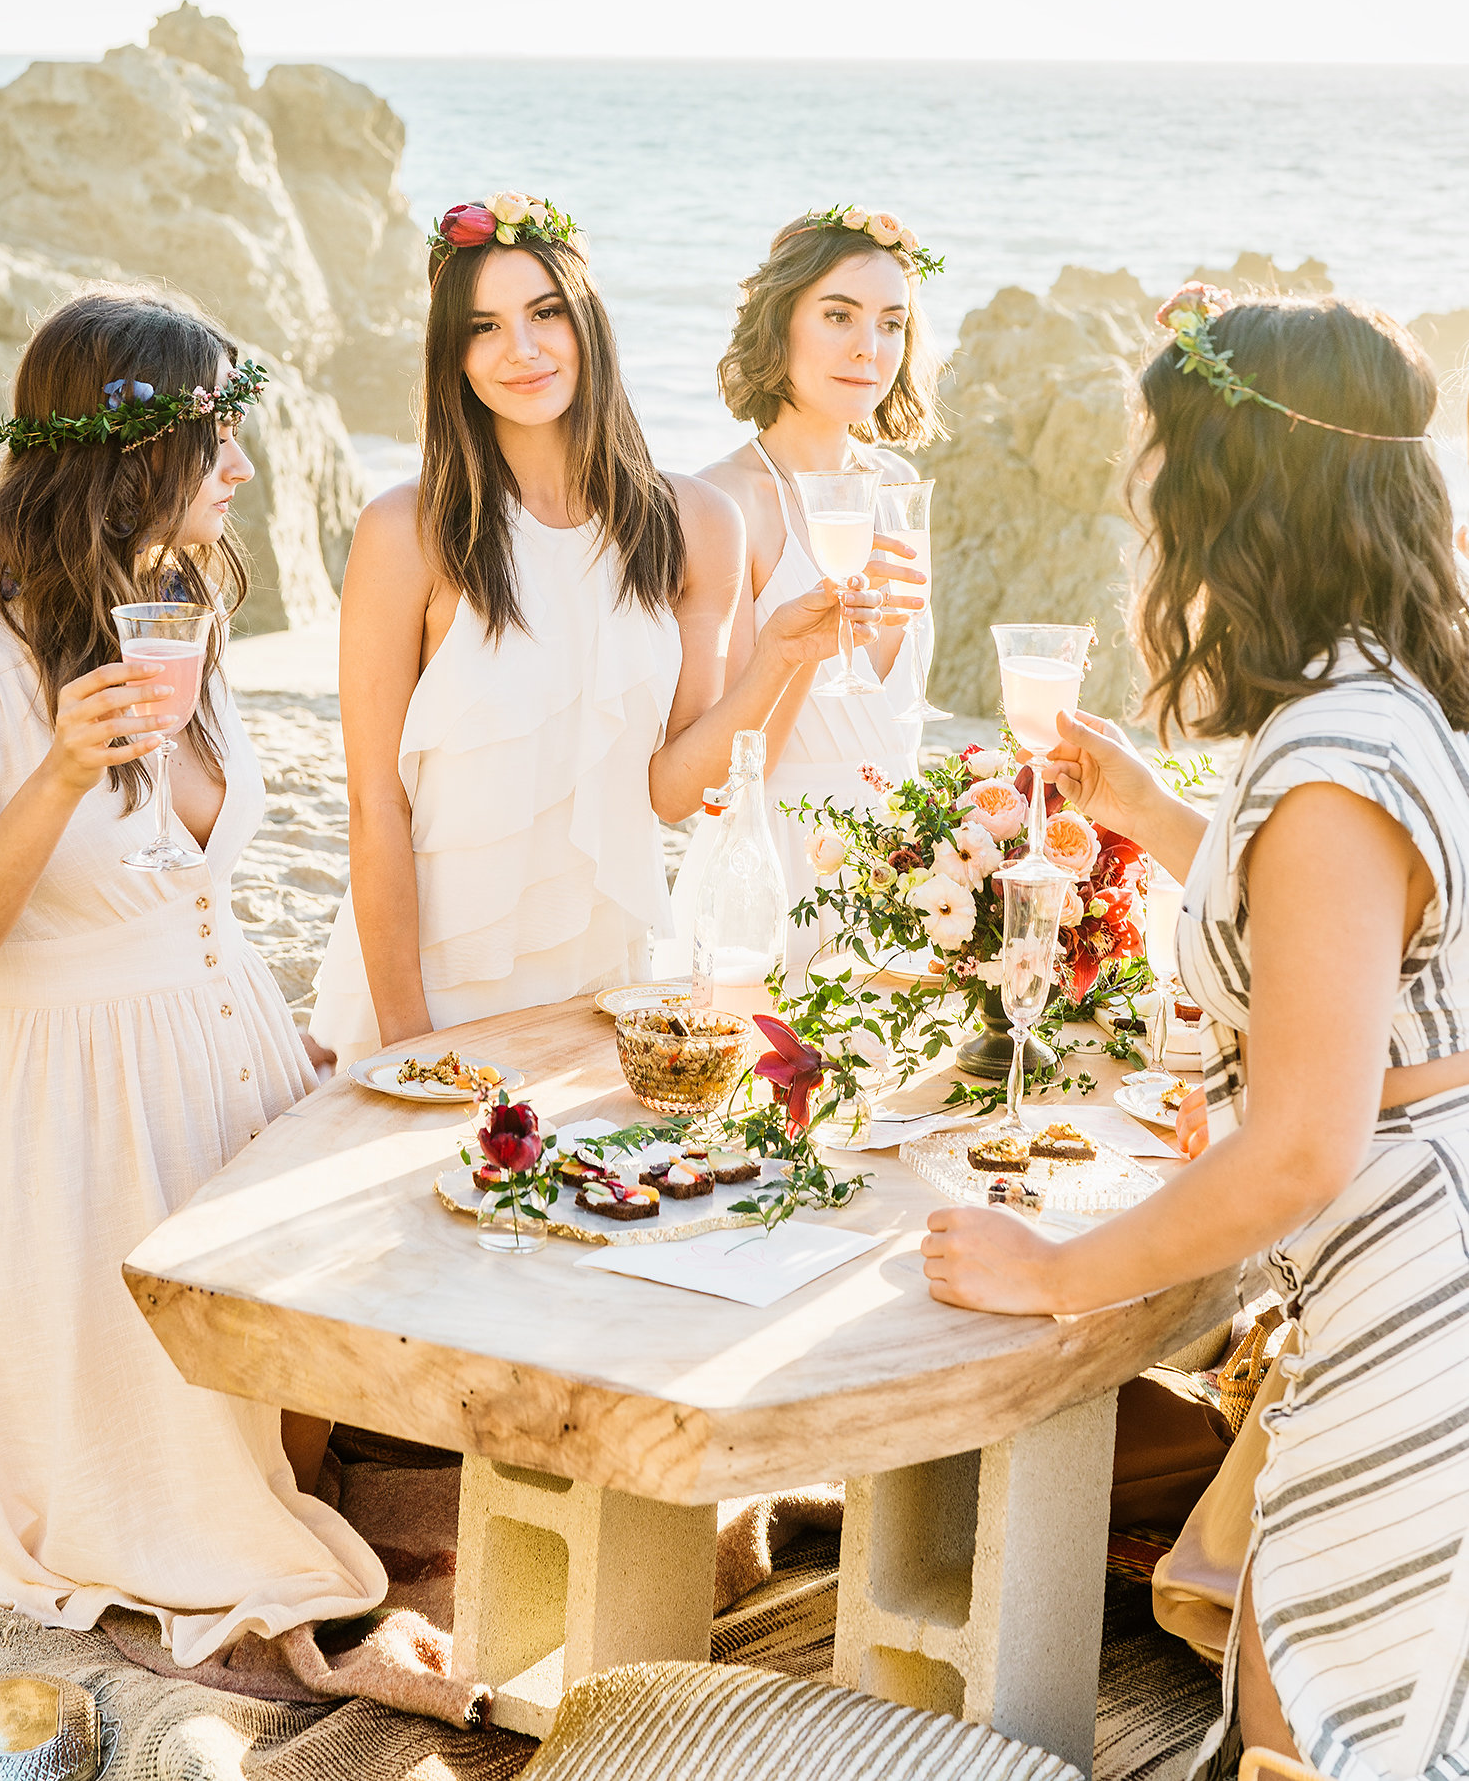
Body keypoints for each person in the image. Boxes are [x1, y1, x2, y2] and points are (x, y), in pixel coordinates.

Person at [0, 289, 386, 1662]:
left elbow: (192, 880)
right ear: (124, 457)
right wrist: (57, 771)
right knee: (169, 1496)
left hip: (230, 1066)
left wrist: (296, 1060)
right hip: (72, 1109)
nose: (241, 471)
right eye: (216, 441)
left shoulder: (175, 605)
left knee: (301, 1418)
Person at [924, 285, 1469, 1781]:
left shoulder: (1331, 764)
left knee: (1327, 1715)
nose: (1140, 501)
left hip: (1415, 1285)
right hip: (1420, 1241)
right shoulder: (1380, 692)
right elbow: (1355, 955)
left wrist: (1054, 1279)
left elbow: (1303, 1140)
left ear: (1239, 499)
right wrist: (1159, 821)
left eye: (1159, 465)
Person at [309, 194, 895, 1058]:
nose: (523, 349)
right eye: (484, 327)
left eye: (546, 313)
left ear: (590, 324)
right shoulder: (406, 531)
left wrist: (782, 656)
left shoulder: (696, 522)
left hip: (608, 981)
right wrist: (407, 1036)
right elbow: (375, 806)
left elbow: (674, 794)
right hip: (433, 983)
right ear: (454, 358)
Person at [669, 204, 937, 975]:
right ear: (780, 324)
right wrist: (799, 652)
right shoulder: (722, 502)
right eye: (838, 315)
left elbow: (901, 734)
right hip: (776, 873)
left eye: (892, 322)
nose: (868, 346)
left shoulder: (898, 488)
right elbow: (714, 777)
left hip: (903, 874)